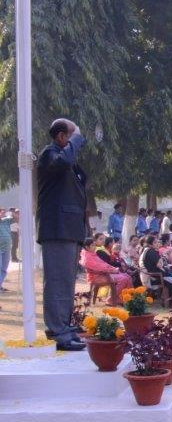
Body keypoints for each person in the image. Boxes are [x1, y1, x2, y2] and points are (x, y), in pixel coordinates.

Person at [37, 118, 89, 351]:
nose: (78, 139)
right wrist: (76, 139)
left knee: (66, 283)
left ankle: (64, 327)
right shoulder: (50, 155)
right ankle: (57, 331)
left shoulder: (66, 160)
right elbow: (64, 160)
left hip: (68, 230)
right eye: (73, 135)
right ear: (61, 137)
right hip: (57, 229)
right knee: (57, 283)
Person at [80, 237, 132, 304]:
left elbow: (103, 264)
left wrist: (113, 269)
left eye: (94, 245)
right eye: (92, 245)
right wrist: (112, 270)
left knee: (127, 276)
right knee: (123, 279)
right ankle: (110, 300)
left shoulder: (92, 254)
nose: (94, 247)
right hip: (96, 277)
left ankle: (124, 298)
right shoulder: (87, 257)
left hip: (103, 274)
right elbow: (99, 268)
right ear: (87, 247)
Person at [0, 209, 14, 291]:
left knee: (4, 269)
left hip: (7, 248)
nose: (3, 212)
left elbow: (18, 218)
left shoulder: (6, 221)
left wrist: (12, 212)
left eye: (3, 211)